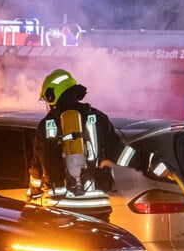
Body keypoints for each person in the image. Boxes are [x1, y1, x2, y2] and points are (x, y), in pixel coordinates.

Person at [27, 69, 123, 223]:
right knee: (99, 240)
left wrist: (34, 191)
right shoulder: (99, 118)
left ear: (52, 96)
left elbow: (37, 165)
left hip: (60, 209)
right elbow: (118, 151)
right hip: (97, 207)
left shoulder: (47, 125)